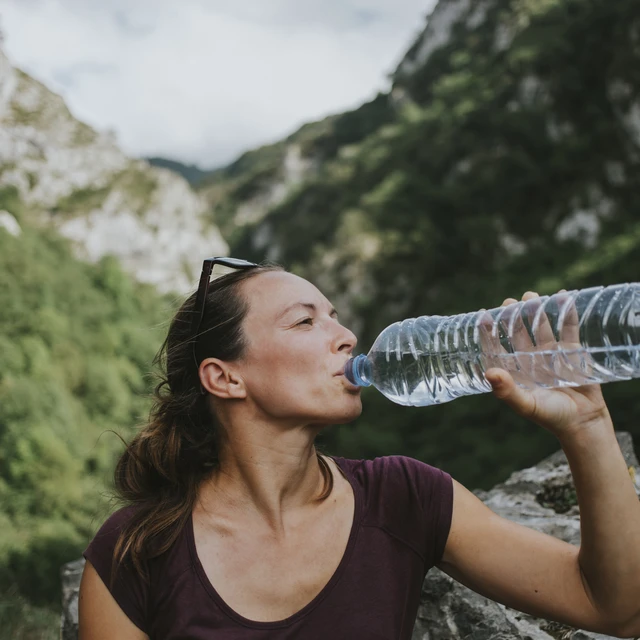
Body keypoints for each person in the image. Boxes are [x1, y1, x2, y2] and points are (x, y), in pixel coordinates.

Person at [78, 258, 640, 639]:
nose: (345, 336)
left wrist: (586, 423)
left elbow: (615, 606)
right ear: (225, 378)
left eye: (336, 317)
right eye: (305, 321)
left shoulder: (403, 496)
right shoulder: (135, 553)